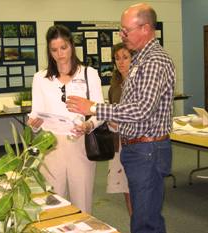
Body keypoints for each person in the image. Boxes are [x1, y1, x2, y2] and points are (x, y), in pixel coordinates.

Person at [66, 3, 176, 233]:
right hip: (139, 150)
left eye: (126, 30)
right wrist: (116, 120)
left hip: (147, 151)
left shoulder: (154, 60)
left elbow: (142, 109)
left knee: (145, 221)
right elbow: (134, 109)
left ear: (145, 28)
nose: (121, 35)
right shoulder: (140, 60)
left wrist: (95, 107)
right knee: (144, 216)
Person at [27, 24, 104, 214]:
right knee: (53, 204)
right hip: (51, 145)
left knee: (82, 202)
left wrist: (88, 125)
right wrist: (34, 125)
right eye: (54, 50)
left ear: (71, 46)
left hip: (79, 143)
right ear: (49, 51)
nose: (60, 54)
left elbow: (100, 112)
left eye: (64, 48)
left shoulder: (89, 74)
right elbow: (35, 114)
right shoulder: (40, 78)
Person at [106, 42, 132, 216]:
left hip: (134, 142)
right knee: (125, 187)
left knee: (136, 186)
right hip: (118, 142)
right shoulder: (114, 85)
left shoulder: (139, 83)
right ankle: (133, 220)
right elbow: (110, 109)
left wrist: (120, 123)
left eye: (125, 57)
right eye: (117, 58)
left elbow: (140, 114)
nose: (121, 62)